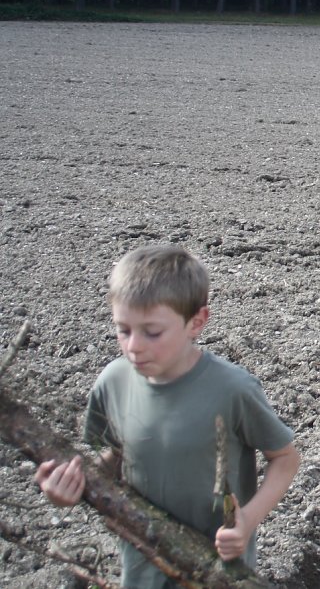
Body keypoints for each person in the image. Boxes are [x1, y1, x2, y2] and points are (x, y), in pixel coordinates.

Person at [35, 245, 301, 588]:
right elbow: (116, 456)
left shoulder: (232, 390)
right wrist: (69, 488)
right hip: (142, 569)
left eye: (152, 332)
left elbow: (285, 459)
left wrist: (247, 521)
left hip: (219, 572)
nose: (134, 346)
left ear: (196, 322)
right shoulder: (112, 383)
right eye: (123, 330)